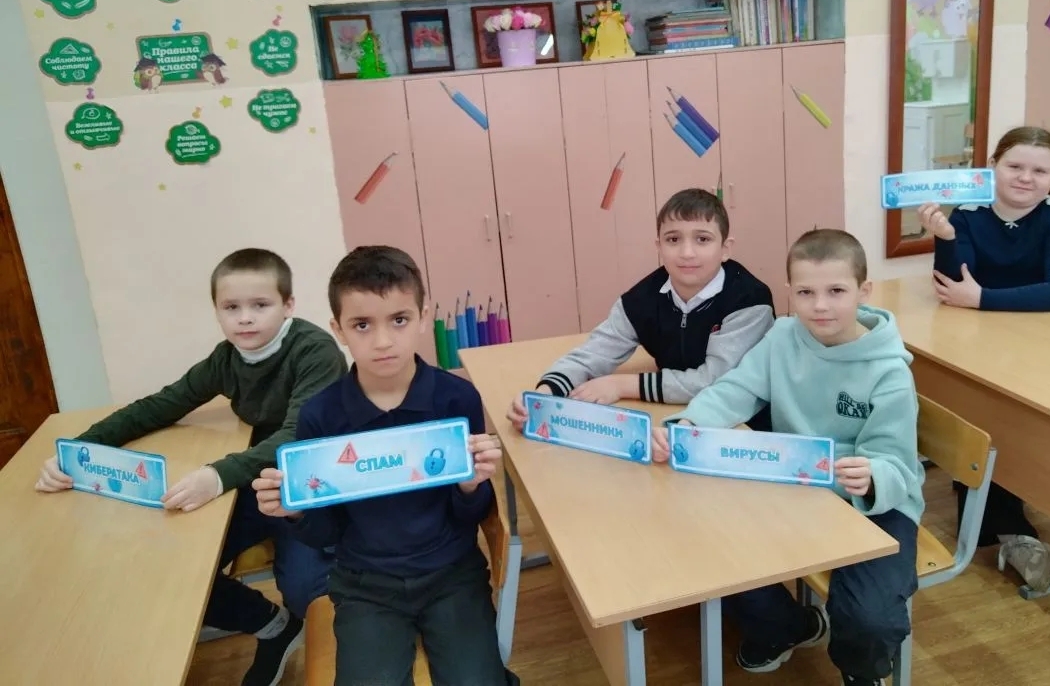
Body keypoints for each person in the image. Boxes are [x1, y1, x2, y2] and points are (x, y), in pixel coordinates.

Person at [34, 248, 348, 686]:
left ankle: (323, 623)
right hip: (255, 482)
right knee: (174, 569)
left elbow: (299, 437)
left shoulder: (315, 352)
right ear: (217, 311)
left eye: (260, 305)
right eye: (231, 307)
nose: (245, 318)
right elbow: (161, 404)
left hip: (311, 487)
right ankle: (273, 627)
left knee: (307, 594)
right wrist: (77, 451)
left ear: (288, 305)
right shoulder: (227, 358)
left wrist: (217, 475)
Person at [653, 229, 923, 686]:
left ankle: (861, 672)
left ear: (864, 291)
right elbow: (737, 389)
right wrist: (689, 424)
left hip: (874, 502)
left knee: (870, 616)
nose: (820, 306)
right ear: (790, 293)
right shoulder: (782, 336)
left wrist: (874, 475)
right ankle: (788, 626)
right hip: (796, 486)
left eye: (836, 291)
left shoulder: (889, 372)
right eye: (805, 293)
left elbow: (896, 462)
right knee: (707, 538)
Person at [253, 246, 517, 686]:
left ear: (423, 317)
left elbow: (470, 516)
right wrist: (295, 511)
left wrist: (472, 486)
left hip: (452, 575)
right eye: (362, 325)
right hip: (364, 584)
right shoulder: (320, 416)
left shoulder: (456, 399)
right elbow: (327, 534)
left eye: (399, 320)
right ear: (338, 330)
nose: (382, 341)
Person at [918, 125, 1050, 592]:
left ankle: (1004, 520)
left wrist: (983, 298)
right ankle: (997, 514)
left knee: (1006, 422)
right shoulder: (968, 213)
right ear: (993, 166)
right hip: (979, 341)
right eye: (1015, 166)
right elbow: (952, 284)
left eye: (1040, 170)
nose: (1026, 178)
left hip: (1043, 346)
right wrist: (946, 237)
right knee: (974, 411)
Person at [507, 188, 775, 429]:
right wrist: (543, 394)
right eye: (673, 239)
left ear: (725, 249)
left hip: (742, 426)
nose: (687, 252)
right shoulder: (642, 298)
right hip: (672, 415)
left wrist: (623, 385)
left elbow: (716, 381)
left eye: (702, 239)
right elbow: (595, 352)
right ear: (659, 246)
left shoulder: (749, 301)